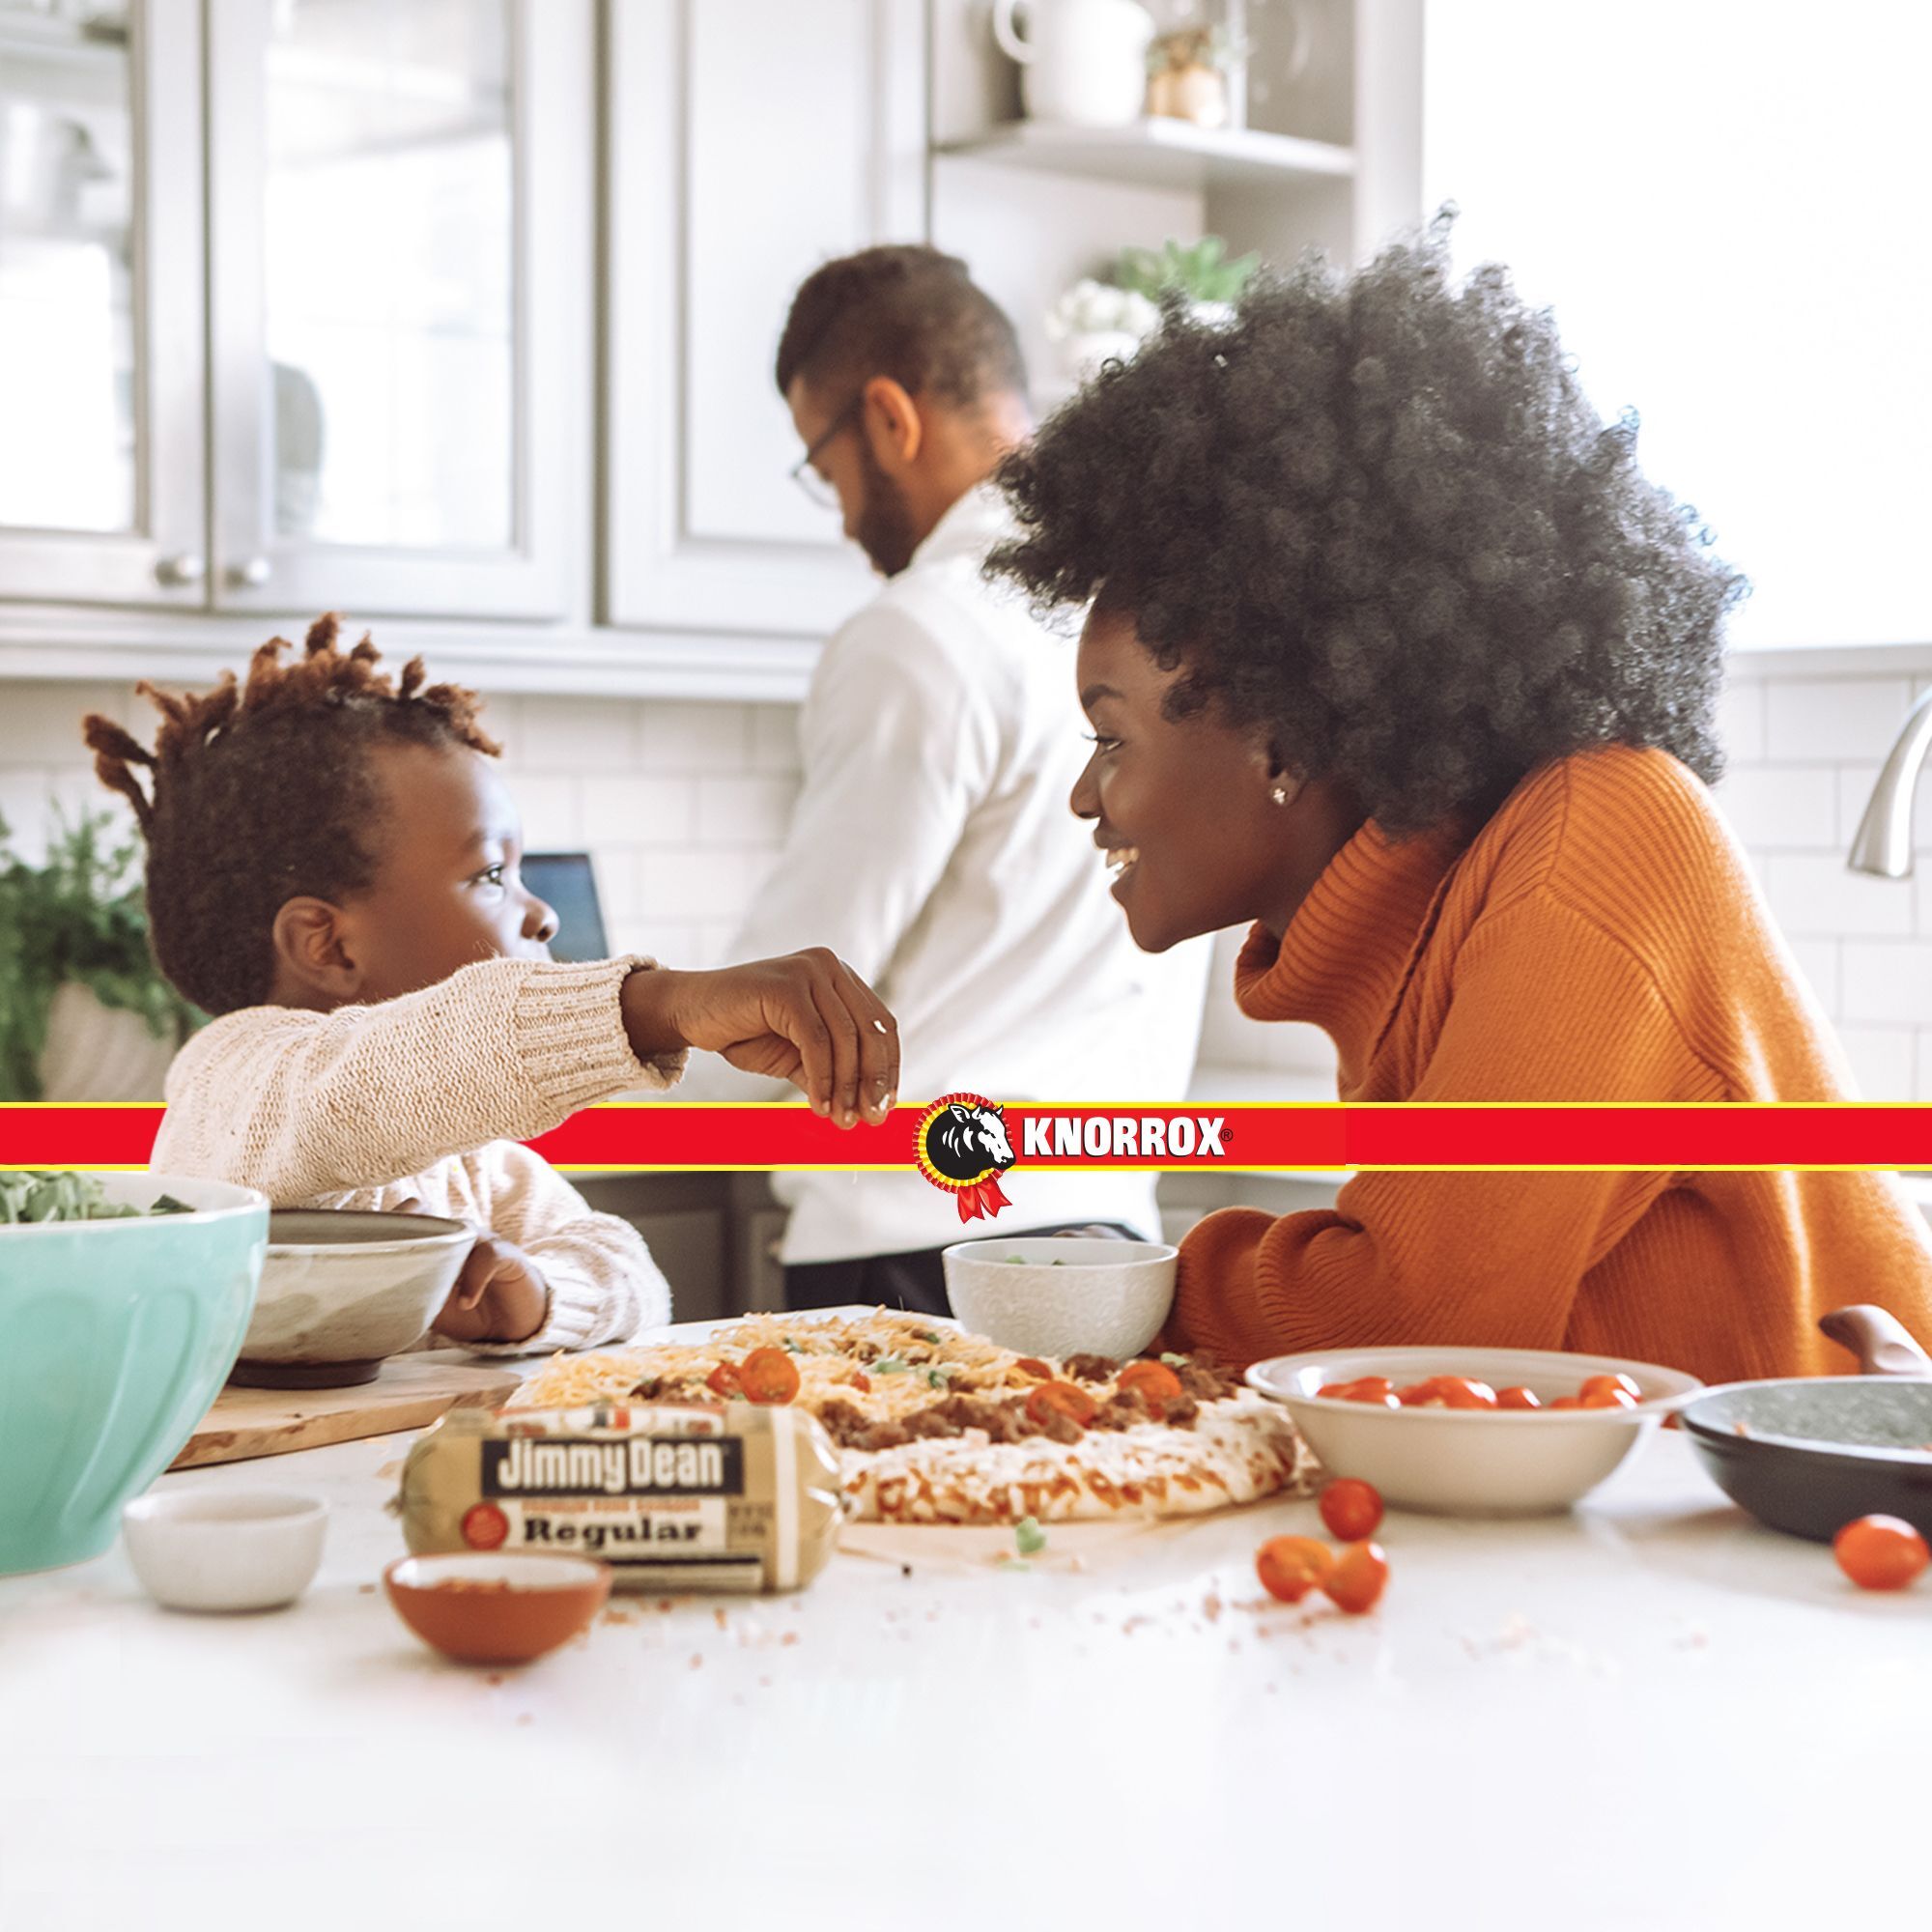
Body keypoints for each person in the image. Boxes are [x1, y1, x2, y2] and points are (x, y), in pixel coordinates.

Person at [984, 224, 1932, 1384]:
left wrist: (1139, 1282)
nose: (1087, 794)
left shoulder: (1596, 835)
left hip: (1826, 1539)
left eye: (1107, 735)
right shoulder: (1422, 917)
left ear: (1278, 733)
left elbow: (1402, 1319)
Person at [83, 616, 897, 1354]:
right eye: (491, 874)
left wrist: (540, 1297)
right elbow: (366, 1083)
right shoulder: (230, 1087)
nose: (540, 912)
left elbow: (628, 1272)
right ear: (327, 945)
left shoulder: (473, 1165)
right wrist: (657, 1007)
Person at [673, 243, 1209, 1316]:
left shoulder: (917, 633)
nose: (837, 516)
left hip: (916, 1250)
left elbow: (789, 995)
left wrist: (573, 1051)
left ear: (888, 418)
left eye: (823, 468)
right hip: (1107, 1242)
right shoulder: (1134, 611)